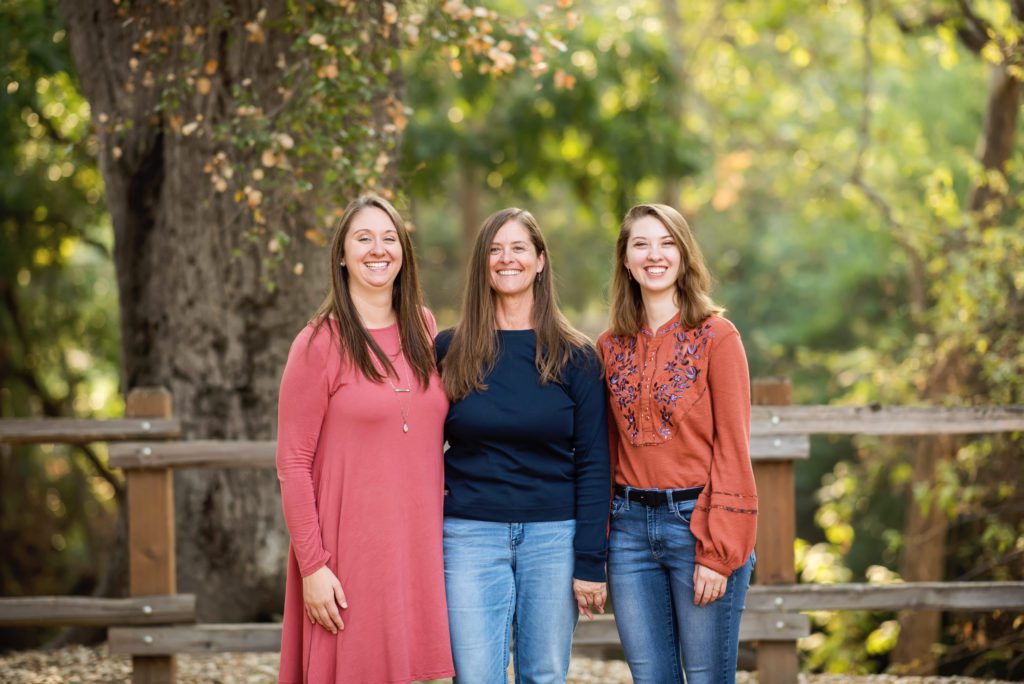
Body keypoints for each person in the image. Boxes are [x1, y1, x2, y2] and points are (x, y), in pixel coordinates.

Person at [275, 195, 454, 683]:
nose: (379, 249)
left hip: (414, 546)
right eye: (363, 238)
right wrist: (313, 567)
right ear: (341, 255)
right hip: (347, 554)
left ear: (404, 252)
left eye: (389, 238)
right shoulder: (317, 343)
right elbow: (292, 463)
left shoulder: (424, 327)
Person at [435, 207, 611, 683]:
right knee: (474, 676)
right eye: (494, 249)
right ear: (481, 264)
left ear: (539, 260)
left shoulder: (577, 356)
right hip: (469, 535)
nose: (505, 259)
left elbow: (596, 462)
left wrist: (591, 559)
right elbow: (418, 448)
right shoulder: (447, 351)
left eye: (517, 248)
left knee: (544, 674)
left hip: (554, 538)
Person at [598, 203, 757, 684]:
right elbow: (604, 450)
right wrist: (596, 542)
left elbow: (733, 446)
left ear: (685, 256)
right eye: (641, 244)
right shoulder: (609, 347)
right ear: (625, 260)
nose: (655, 255)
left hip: (697, 526)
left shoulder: (717, 336)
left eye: (667, 243)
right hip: (627, 534)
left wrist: (719, 551)